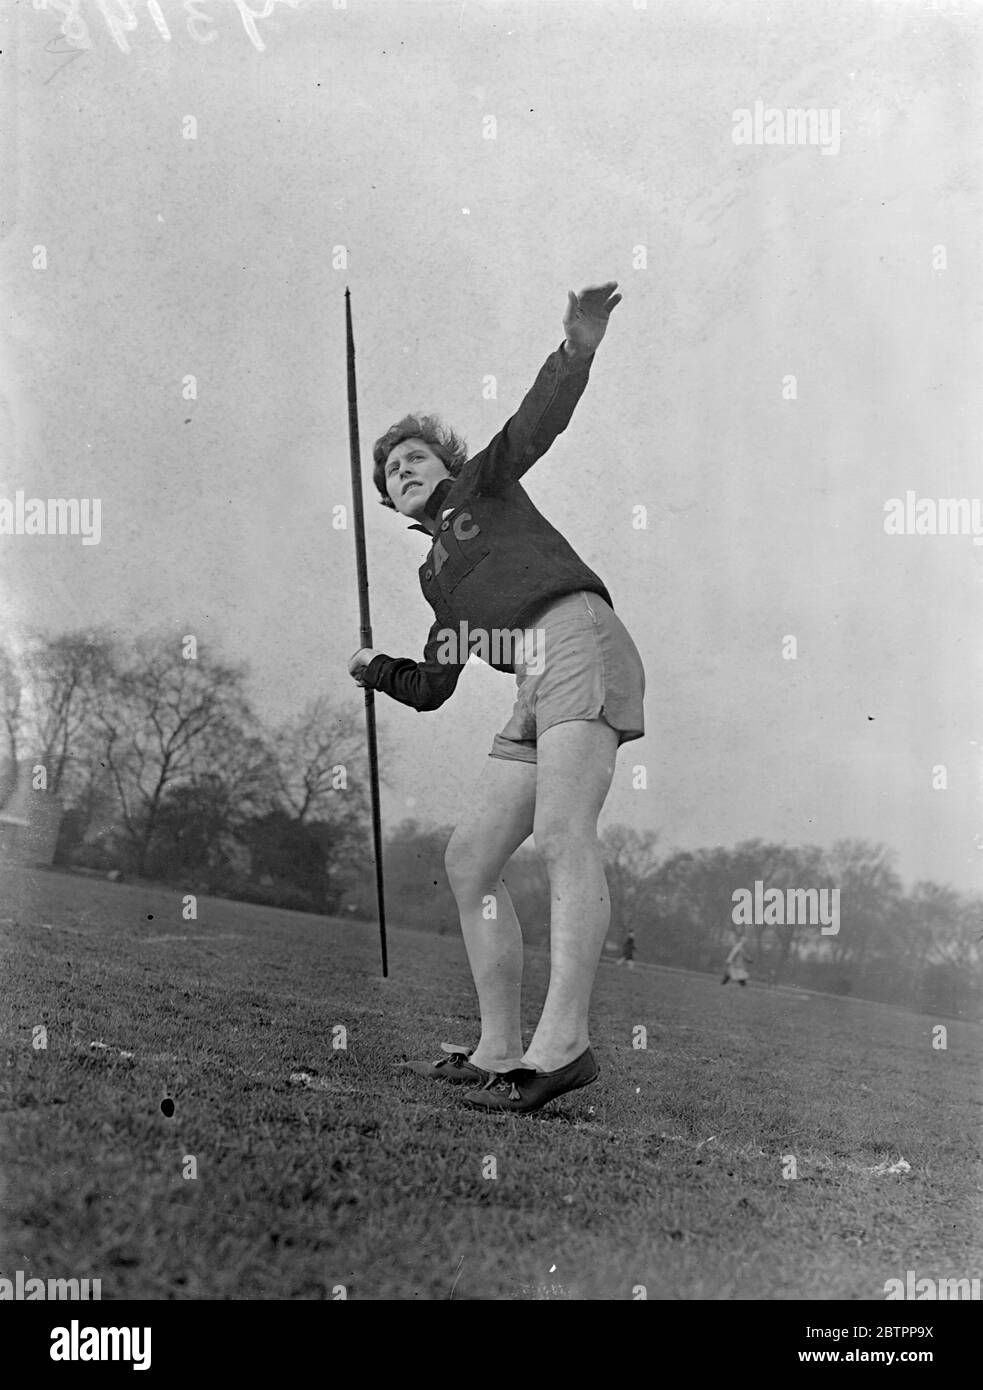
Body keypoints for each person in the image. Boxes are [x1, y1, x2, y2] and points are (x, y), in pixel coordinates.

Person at [348, 282, 646, 1114]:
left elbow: (535, 422)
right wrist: (375, 668)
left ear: (448, 467)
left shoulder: (483, 486)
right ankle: (496, 1048)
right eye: (390, 471)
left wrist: (576, 348)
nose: (403, 471)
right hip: (529, 682)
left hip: (576, 636)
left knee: (560, 835)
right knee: (470, 859)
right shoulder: (434, 576)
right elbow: (436, 684)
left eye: (415, 458)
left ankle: (563, 1048)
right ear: (386, 500)